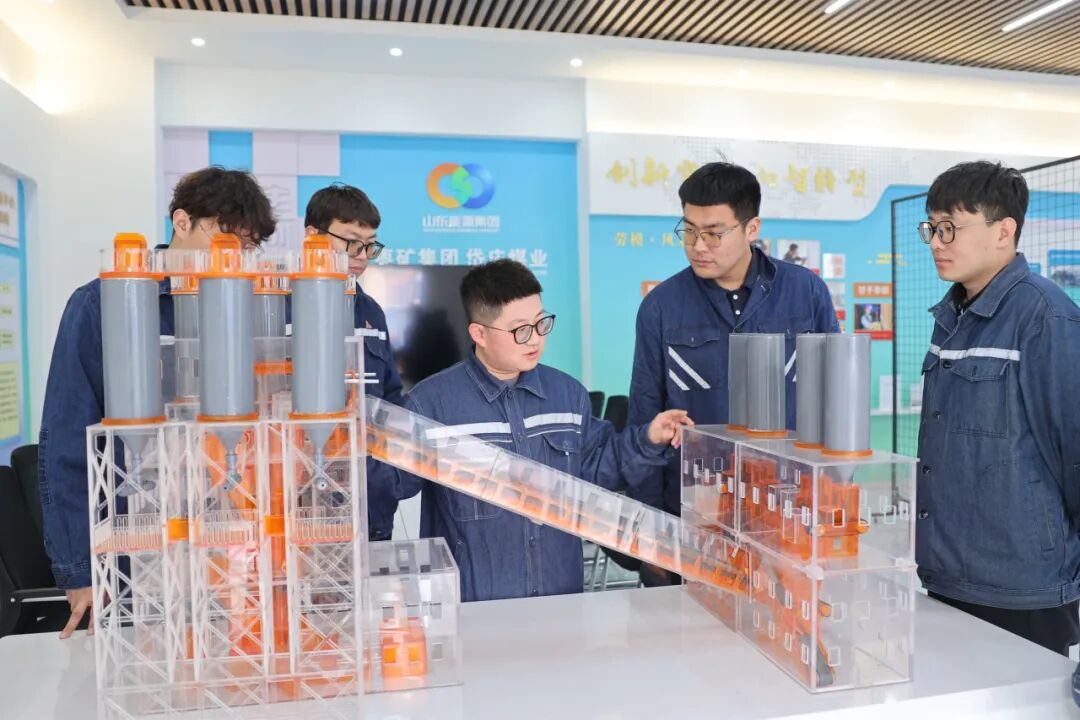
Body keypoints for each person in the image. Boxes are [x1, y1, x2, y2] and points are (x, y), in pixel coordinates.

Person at [39, 167, 276, 638]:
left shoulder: (248, 304)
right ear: (181, 222)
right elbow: (65, 439)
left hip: (230, 549)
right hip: (136, 548)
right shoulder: (103, 304)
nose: (233, 257)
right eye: (224, 240)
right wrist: (80, 570)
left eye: (247, 247)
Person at [390, 260, 693, 602]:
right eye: (520, 330)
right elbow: (392, 484)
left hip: (559, 599)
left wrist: (649, 439)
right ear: (479, 334)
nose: (535, 339)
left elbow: (597, 469)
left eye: (541, 323)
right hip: (473, 607)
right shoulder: (431, 405)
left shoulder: (567, 395)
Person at [628, 161, 838, 585]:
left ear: (751, 228)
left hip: (786, 512)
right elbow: (644, 416)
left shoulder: (805, 293)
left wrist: (829, 504)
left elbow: (832, 400)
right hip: (694, 515)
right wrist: (650, 531)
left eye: (713, 233)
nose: (697, 246)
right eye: (688, 231)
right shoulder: (661, 307)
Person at [915, 160, 1080, 657]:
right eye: (932, 228)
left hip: (1023, 586)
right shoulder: (952, 316)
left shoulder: (1045, 317)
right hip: (948, 572)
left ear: (1004, 231)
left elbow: (1073, 453)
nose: (937, 242)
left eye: (951, 227)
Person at [302, 184, 404, 541]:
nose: (362, 255)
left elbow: (391, 398)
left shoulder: (371, 312)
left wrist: (388, 478)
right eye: (350, 242)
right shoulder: (277, 305)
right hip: (299, 502)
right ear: (312, 236)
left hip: (368, 502)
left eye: (370, 245)